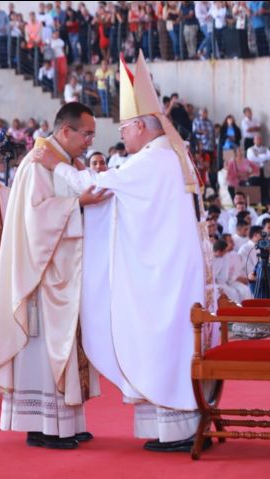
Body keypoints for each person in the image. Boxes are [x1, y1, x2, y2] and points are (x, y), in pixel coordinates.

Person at [34, 54, 216, 452]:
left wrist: (56, 165)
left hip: (164, 275)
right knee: (167, 344)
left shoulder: (152, 159)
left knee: (162, 344)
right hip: (171, 267)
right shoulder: (172, 154)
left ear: (140, 127)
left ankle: (181, 431)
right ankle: (178, 427)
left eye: (124, 128)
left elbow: (97, 186)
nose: (122, 136)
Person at [0, 102, 107, 450]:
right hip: (41, 277)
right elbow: (35, 220)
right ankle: (41, 426)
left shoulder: (66, 163)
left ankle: (67, 423)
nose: (90, 141)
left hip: (63, 273)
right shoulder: (37, 164)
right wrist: (78, 204)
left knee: (65, 347)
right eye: (86, 133)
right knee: (43, 349)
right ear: (66, 131)